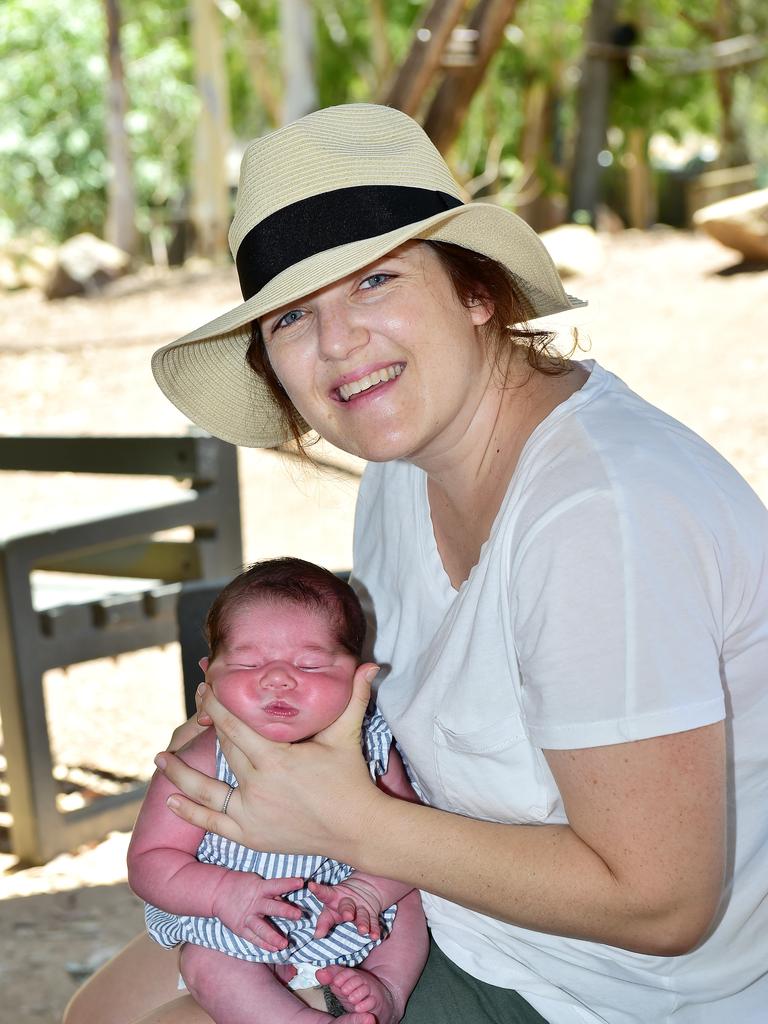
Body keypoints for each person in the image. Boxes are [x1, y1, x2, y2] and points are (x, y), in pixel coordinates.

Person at [64, 103, 768, 1024]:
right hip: (437, 899)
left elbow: (662, 903)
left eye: (376, 282)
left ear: (477, 291)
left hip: (605, 990)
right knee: (99, 1012)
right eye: (291, 319)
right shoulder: (404, 467)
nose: (338, 343)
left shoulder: (605, 517)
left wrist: (344, 819)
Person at [126, 557, 427, 1024]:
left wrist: (369, 890)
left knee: (408, 905)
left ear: (358, 674)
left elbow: (413, 837)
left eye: (311, 663)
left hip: (347, 909)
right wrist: (223, 894)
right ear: (208, 676)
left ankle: (387, 990)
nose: (279, 677)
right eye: (248, 662)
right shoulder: (201, 759)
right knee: (206, 964)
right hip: (237, 921)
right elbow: (150, 861)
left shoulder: (370, 748)